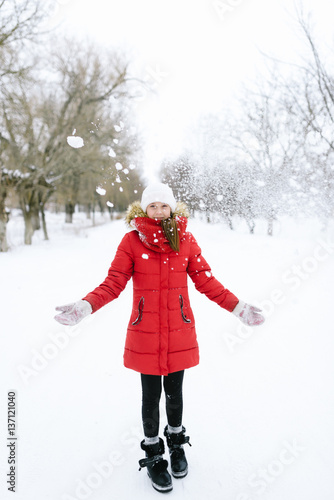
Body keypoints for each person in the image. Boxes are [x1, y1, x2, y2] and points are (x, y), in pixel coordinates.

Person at [54, 182, 265, 493]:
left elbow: (207, 282)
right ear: (144, 209)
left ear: (171, 208)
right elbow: (113, 283)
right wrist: (86, 305)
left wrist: (238, 307)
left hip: (178, 330)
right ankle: (154, 454)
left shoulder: (187, 241)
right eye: (152, 205)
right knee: (150, 396)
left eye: (163, 205)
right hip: (146, 332)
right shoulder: (131, 242)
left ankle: (176, 444)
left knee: (175, 394)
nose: (158, 210)